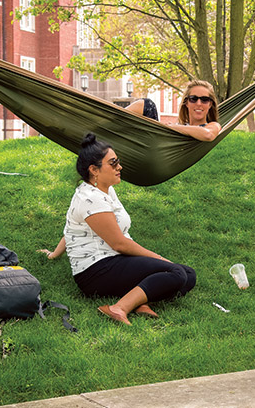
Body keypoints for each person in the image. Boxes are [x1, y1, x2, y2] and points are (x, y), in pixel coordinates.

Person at [38, 133, 196, 325]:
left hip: (115, 260)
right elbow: (119, 243)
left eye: (118, 162)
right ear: (94, 170)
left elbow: (70, 229)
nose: (119, 167)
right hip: (96, 271)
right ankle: (119, 308)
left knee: (188, 275)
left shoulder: (105, 189)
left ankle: (140, 299)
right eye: (113, 163)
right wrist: (158, 257)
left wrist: (54, 254)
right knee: (176, 274)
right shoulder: (90, 198)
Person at [125, 80, 222, 142]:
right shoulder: (180, 125)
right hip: (154, 146)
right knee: (145, 104)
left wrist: (174, 127)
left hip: (161, 157)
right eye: (193, 99)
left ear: (210, 104)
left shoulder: (213, 125)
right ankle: (111, 119)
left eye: (204, 99)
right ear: (186, 103)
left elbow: (208, 135)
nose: (199, 103)